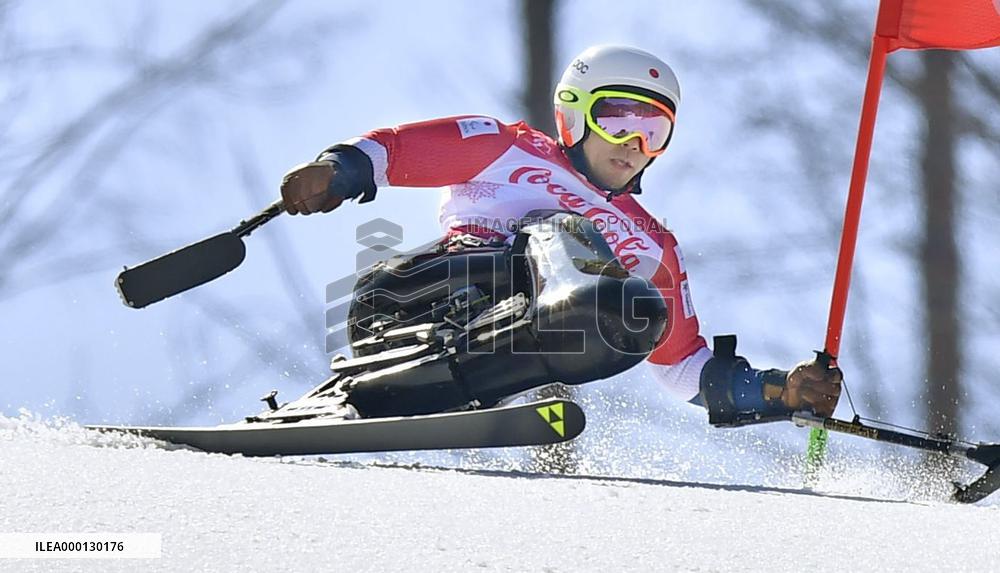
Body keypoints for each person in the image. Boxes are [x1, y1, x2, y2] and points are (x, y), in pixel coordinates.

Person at [278, 45, 842, 425]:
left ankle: (451, 388)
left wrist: (779, 392)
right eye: (617, 120)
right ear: (574, 114)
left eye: (653, 131)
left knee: (636, 308)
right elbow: (394, 151)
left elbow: (680, 367)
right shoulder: (504, 147)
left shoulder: (653, 246)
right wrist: (335, 170)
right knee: (564, 227)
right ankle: (384, 376)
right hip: (412, 300)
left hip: (499, 356)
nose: (634, 145)